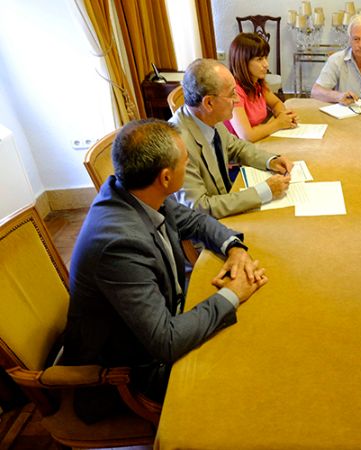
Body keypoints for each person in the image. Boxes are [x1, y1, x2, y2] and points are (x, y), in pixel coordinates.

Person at [63, 119, 268, 422]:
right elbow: (166, 342)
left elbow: (196, 221)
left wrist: (233, 247)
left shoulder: (135, 191)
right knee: (254, 381)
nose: (188, 166)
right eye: (186, 162)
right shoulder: (119, 244)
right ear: (167, 176)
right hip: (126, 378)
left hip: (154, 327)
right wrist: (232, 294)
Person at [171, 58, 293, 219]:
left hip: (227, 205)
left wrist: (270, 160)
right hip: (206, 232)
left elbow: (236, 147)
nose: (236, 100)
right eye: (231, 94)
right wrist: (265, 191)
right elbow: (200, 207)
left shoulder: (207, 119)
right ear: (208, 103)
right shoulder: (177, 145)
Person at [224, 33, 298, 142]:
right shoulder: (234, 92)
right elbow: (247, 136)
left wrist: (283, 115)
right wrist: (278, 123)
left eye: (265, 57)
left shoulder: (257, 84)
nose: (266, 64)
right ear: (243, 62)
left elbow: (276, 103)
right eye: (259, 59)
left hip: (257, 144)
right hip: (237, 154)